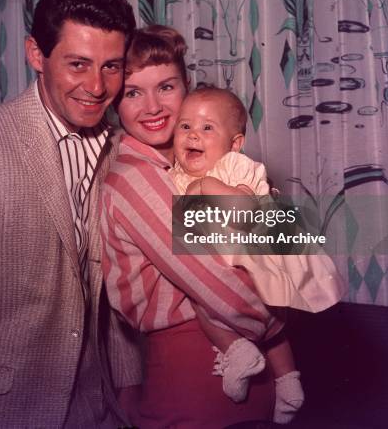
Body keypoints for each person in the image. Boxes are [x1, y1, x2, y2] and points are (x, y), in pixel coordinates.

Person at [0, 0, 140, 428]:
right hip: (7, 412)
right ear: (35, 55)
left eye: (112, 67)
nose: (97, 86)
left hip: (104, 408)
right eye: (78, 64)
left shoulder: (124, 147)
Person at [101, 25, 285, 428]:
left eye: (165, 87)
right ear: (115, 103)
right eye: (133, 93)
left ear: (187, 86)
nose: (152, 107)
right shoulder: (136, 178)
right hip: (197, 368)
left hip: (245, 366)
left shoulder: (199, 162)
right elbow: (219, 284)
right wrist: (279, 329)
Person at [172, 86, 345, 422]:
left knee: (269, 316)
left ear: (234, 143)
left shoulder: (235, 166)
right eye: (185, 126)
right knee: (204, 300)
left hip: (254, 247)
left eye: (208, 128)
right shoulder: (176, 174)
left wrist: (206, 188)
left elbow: (247, 211)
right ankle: (273, 373)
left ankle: (266, 367)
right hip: (219, 257)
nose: (194, 134)